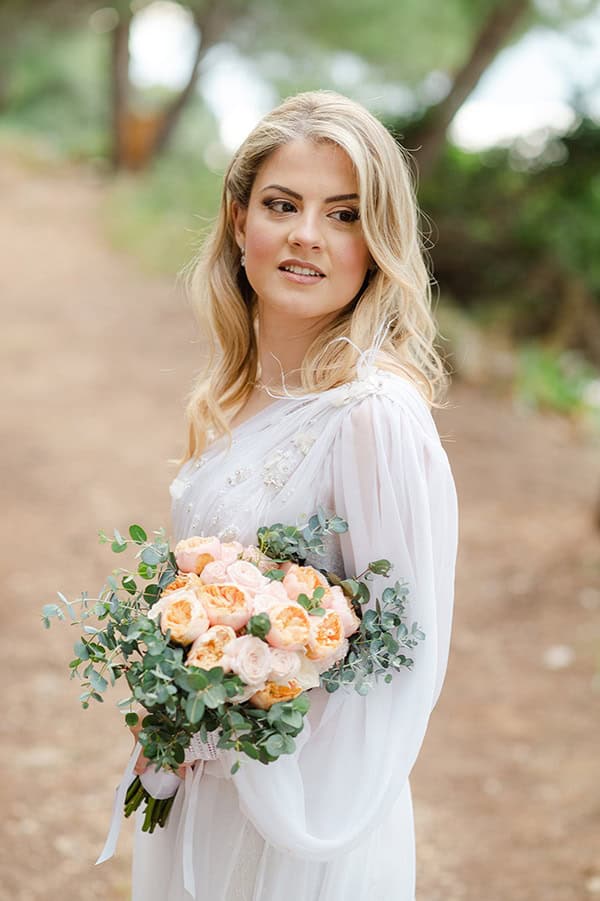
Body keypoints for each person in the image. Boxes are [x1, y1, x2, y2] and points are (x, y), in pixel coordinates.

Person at [131, 90, 458, 901]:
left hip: (306, 814)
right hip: (207, 792)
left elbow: (400, 661)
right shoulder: (236, 394)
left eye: (345, 215)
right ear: (241, 221)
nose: (308, 234)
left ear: (376, 243)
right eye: (284, 204)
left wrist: (277, 787)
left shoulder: (374, 415)